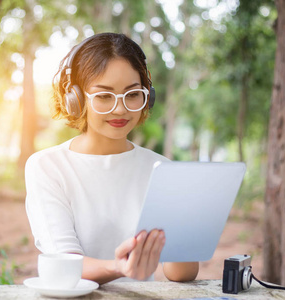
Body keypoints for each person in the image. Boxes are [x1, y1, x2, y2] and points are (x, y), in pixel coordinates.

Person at [25, 32, 199, 285]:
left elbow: (181, 274)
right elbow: (65, 264)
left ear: (147, 97)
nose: (120, 109)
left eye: (132, 94)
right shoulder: (48, 166)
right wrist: (120, 267)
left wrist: (185, 222)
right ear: (75, 99)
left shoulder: (162, 170)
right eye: (104, 96)